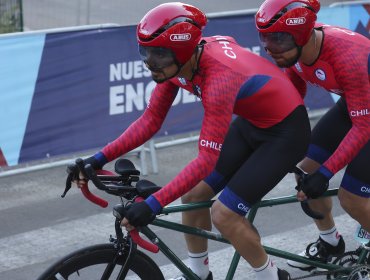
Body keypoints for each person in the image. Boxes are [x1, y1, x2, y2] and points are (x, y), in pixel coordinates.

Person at [71, 2, 311, 279]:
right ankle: (198, 274)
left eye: (158, 54)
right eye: (145, 52)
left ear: (182, 52)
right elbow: (150, 121)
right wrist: (97, 159)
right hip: (251, 123)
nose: (150, 63)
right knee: (194, 195)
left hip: (286, 133)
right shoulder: (177, 65)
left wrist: (153, 205)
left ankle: (271, 276)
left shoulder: (218, 80)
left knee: (224, 214)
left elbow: (206, 159)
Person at [255, 0, 370, 270]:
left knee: (351, 197)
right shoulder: (294, 52)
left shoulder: (346, 57)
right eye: (266, 39)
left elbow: (363, 127)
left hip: (365, 115)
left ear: (302, 35)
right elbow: (293, 99)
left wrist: (327, 173)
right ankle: (330, 243)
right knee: (304, 170)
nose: (271, 49)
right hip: (353, 104)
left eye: (278, 40)